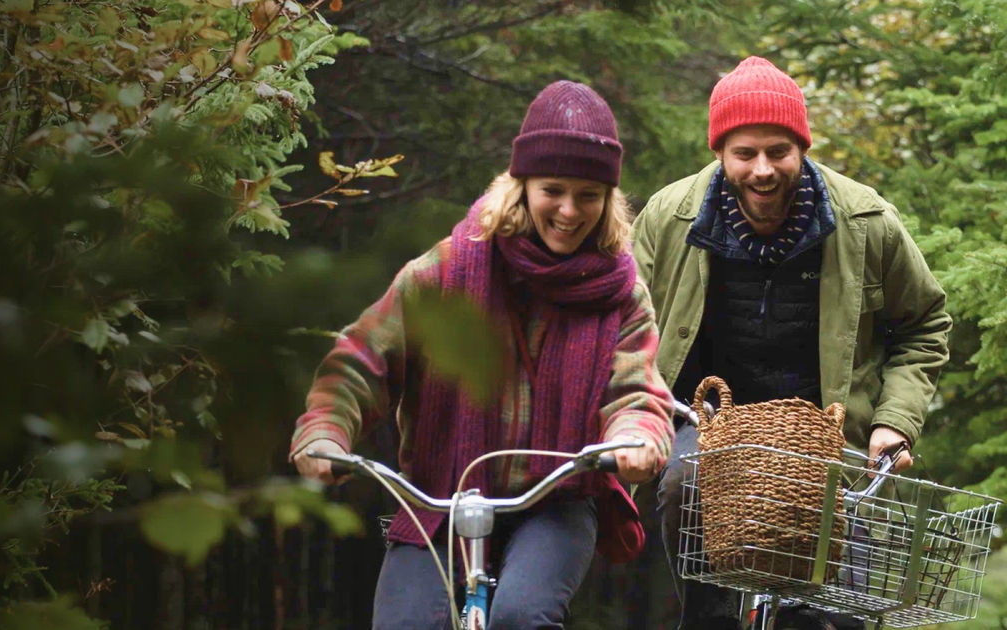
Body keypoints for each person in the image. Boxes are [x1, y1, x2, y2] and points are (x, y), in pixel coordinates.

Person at [289, 80, 675, 629]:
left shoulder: (620, 294)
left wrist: (634, 438)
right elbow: (362, 359)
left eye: (589, 195)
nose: (570, 210)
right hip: (440, 496)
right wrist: (325, 430)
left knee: (521, 616)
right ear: (521, 187)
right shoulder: (447, 271)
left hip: (557, 499)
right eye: (553, 189)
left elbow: (637, 392)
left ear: (608, 200)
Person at [632, 57, 952, 629]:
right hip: (707, 424)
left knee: (834, 620)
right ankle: (709, 618)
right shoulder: (668, 217)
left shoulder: (866, 221)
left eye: (778, 151)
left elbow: (924, 324)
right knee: (684, 482)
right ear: (719, 152)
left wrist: (894, 422)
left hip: (826, 433)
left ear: (802, 147)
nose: (762, 170)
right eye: (745, 153)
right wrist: (636, 415)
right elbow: (624, 328)